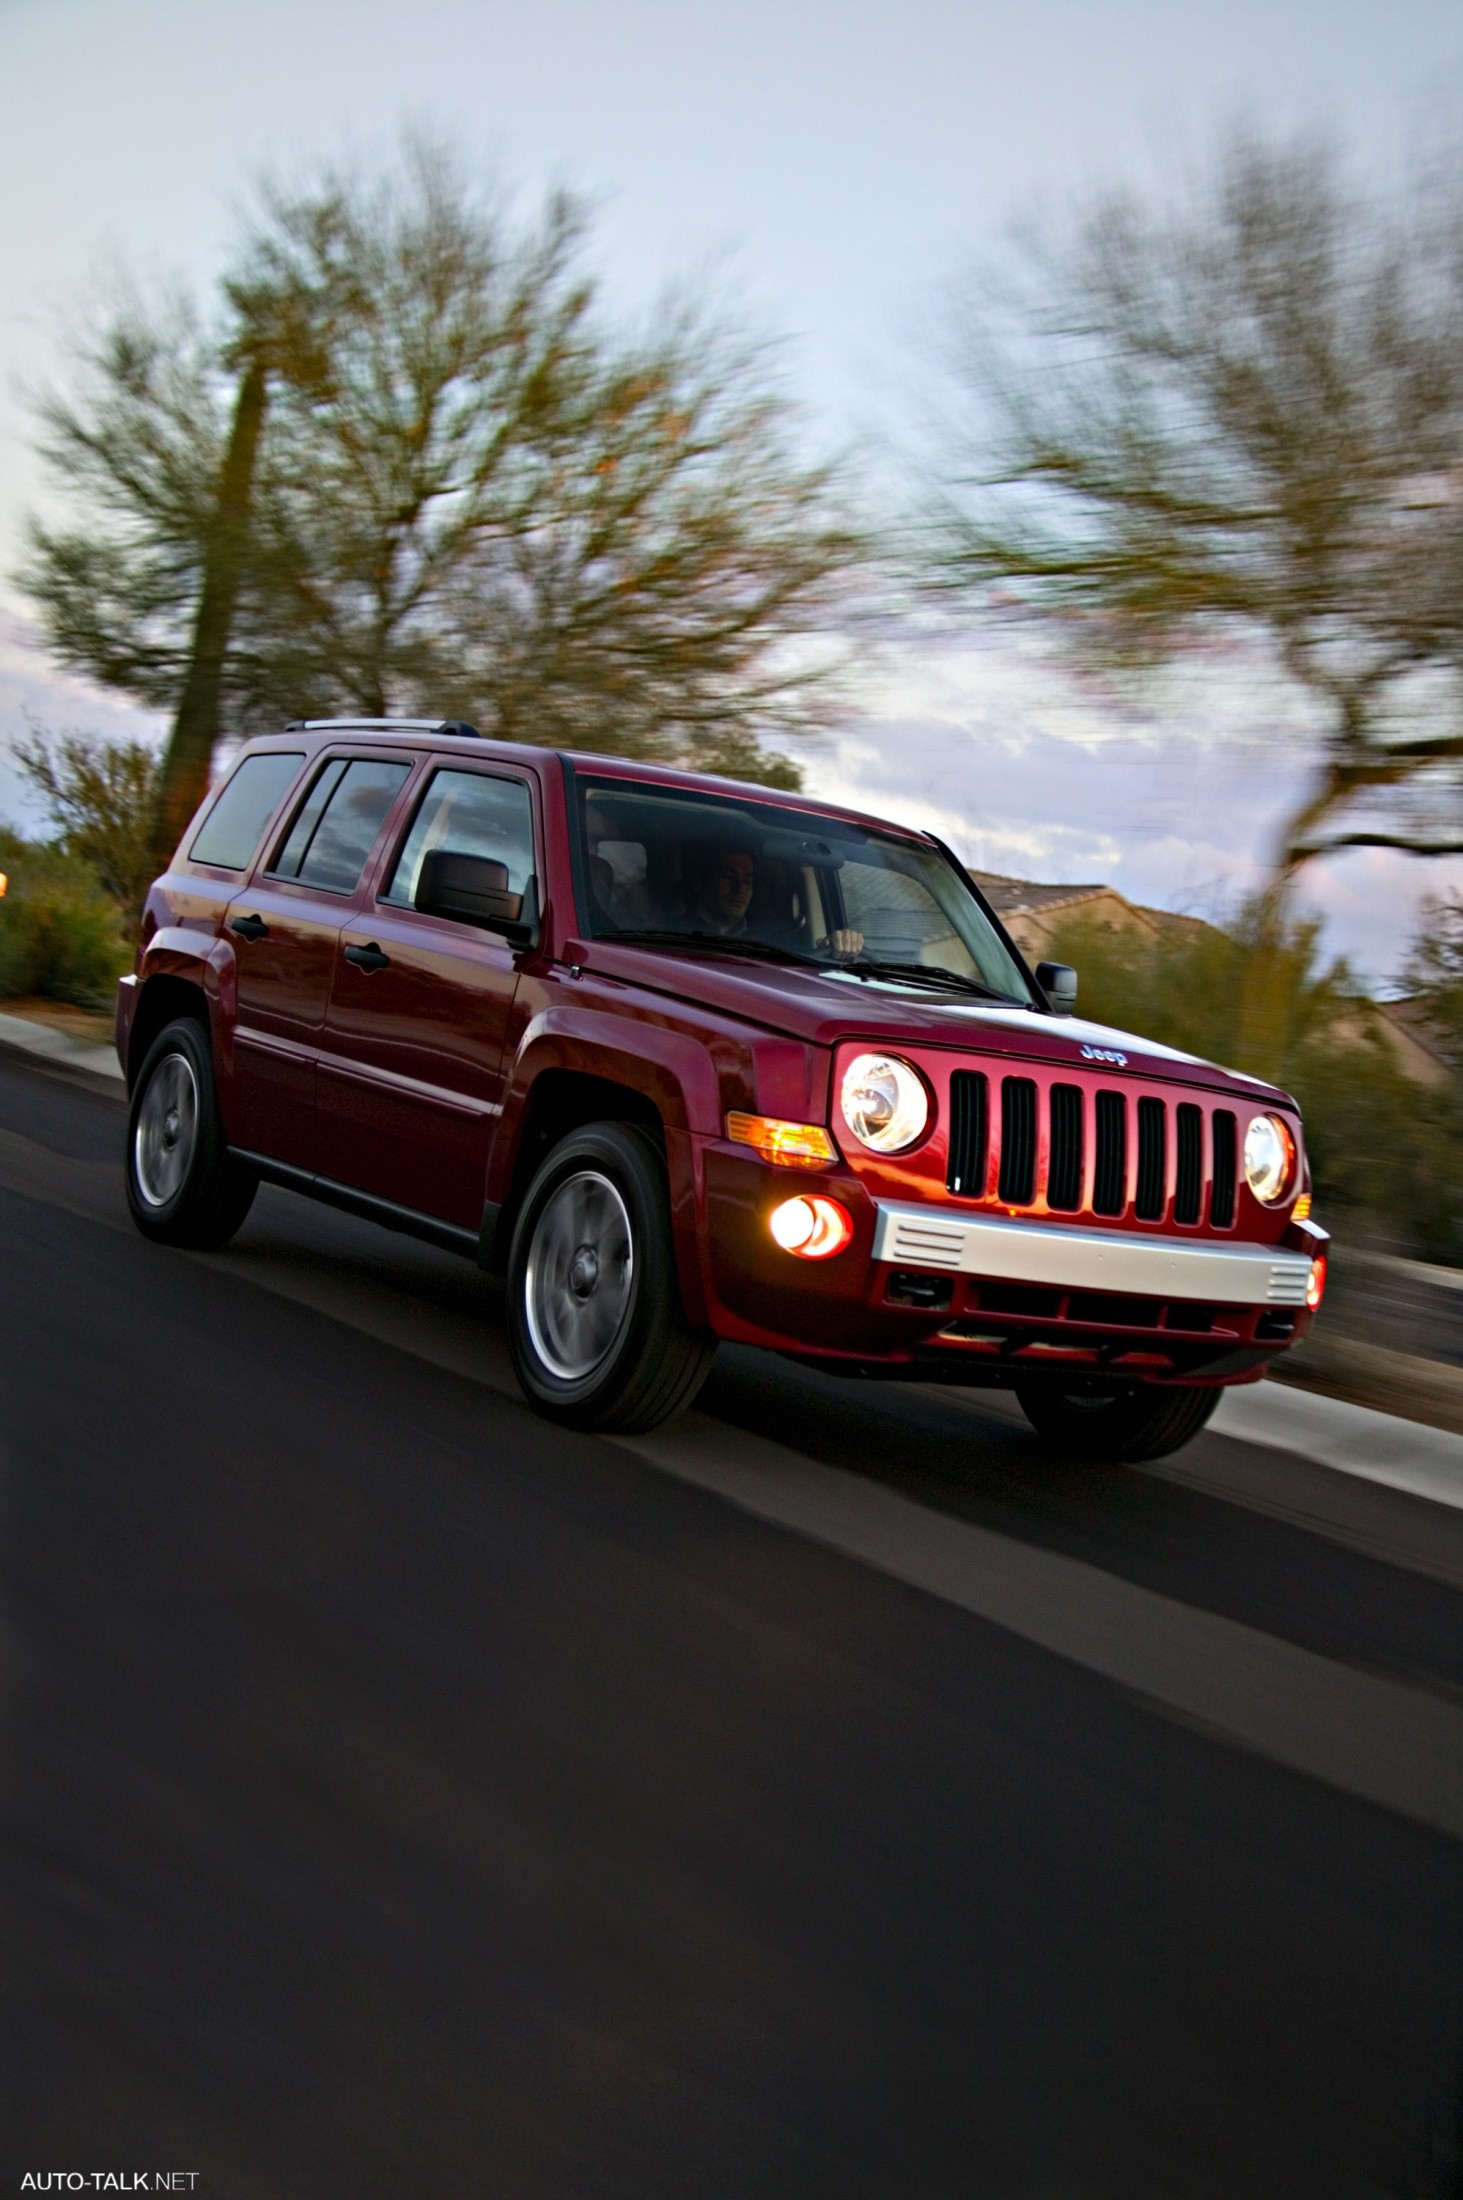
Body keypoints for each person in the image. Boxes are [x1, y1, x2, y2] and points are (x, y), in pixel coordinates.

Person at [681, 836, 863, 956]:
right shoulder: (672, 935)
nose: (740, 888)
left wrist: (838, 945)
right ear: (698, 882)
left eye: (747, 880)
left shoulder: (776, 945)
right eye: (728, 876)